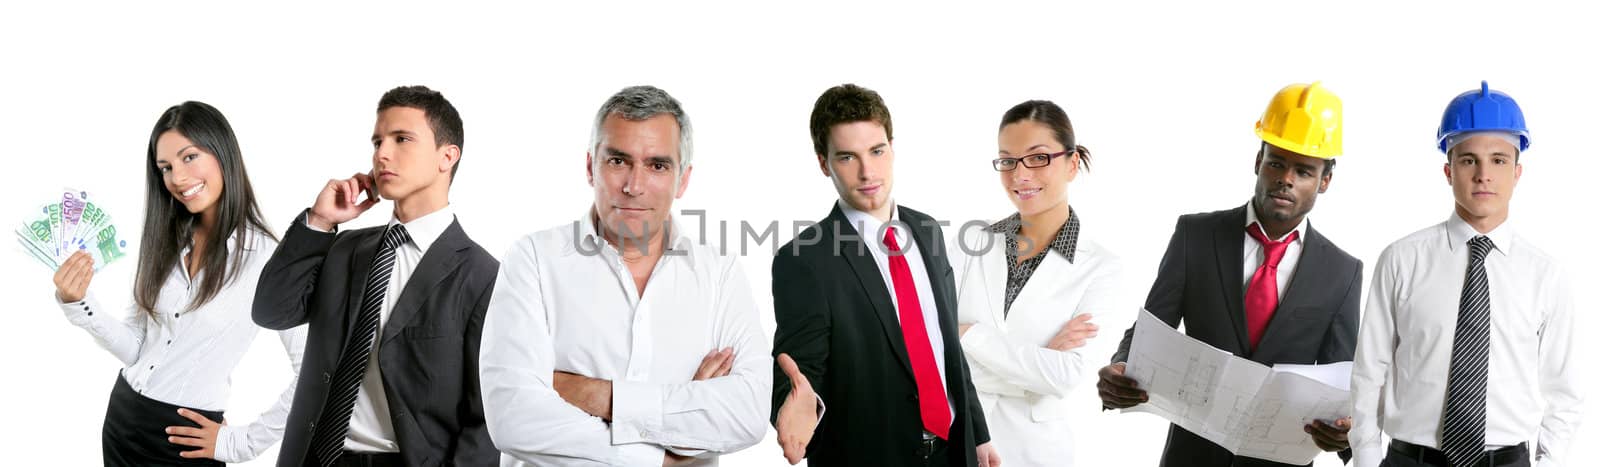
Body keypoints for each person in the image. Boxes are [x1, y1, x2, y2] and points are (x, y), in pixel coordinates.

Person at [479, 85, 770, 466]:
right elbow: (512, 418)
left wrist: (596, 395)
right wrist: (665, 447)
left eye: (657, 165)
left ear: (683, 179)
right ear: (589, 167)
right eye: (618, 161)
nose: (634, 186)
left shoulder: (720, 274)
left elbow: (746, 414)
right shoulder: (533, 259)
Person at [1096, 82, 1362, 466]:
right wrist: (1122, 365)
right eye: (1276, 162)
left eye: (1303, 170)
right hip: (1191, 456)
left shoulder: (1342, 271)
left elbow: (1341, 378)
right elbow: (1151, 328)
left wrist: (1344, 429)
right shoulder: (1196, 236)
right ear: (1258, 161)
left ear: (1324, 181)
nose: (1285, 178)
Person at [253, 85, 499, 466]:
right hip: (315, 457)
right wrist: (319, 223)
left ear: (447, 156)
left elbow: (485, 420)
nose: (382, 153)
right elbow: (272, 311)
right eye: (378, 141)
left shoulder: (482, 276)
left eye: (402, 139)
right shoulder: (343, 250)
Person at [50, 101, 305, 466]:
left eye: (189, 157)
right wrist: (79, 303)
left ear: (223, 153)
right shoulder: (167, 242)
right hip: (123, 421)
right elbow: (137, 348)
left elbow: (313, 370)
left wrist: (240, 444)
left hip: (188, 442)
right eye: (165, 168)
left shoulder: (268, 258)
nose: (178, 178)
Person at [1349, 82, 1582, 467]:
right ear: (1448, 170)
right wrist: (1367, 459)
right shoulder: (1401, 260)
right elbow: (1369, 371)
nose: (1483, 175)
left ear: (1518, 172)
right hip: (1411, 460)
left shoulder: (1546, 276)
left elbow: (1565, 390)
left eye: (1499, 160)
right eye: (1469, 160)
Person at [770, 83, 1000, 467]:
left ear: (892, 147)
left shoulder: (927, 230)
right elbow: (798, 371)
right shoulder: (804, 259)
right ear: (824, 163)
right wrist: (788, 410)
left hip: (953, 453)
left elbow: (944, 346)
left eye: (877, 151)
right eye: (847, 157)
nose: (867, 171)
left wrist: (978, 435)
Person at [953, 99, 1122, 467]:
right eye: (1008, 161)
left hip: (1034, 453)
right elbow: (933, 356)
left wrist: (966, 335)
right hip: (958, 443)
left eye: (1038, 157)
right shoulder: (971, 246)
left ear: (1072, 163)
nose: (1020, 175)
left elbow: (1064, 376)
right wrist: (1038, 365)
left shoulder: (1101, 269)